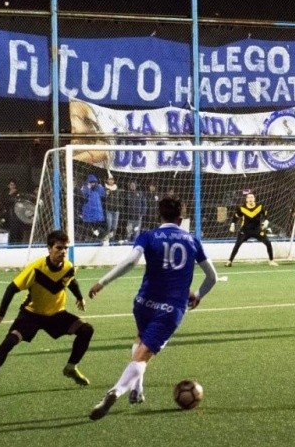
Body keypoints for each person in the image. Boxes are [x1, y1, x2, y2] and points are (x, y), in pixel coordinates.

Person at [86, 197, 218, 420]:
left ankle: (137, 388)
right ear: (181, 217)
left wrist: (103, 282)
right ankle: (115, 392)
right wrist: (198, 295)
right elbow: (212, 277)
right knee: (142, 355)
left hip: (143, 303)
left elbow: (131, 261)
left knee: (140, 341)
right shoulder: (192, 241)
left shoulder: (148, 236)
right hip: (170, 308)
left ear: (160, 215)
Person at [0, 230, 94, 396]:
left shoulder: (68, 266)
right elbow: (11, 289)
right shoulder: (36, 269)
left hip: (56, 314)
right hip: (31, 315)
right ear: (49, 249)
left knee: (86, 329)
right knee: (9, 342)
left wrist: (80, 297)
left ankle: (71, 368)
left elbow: (70, 280)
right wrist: (1, 315)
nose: (63, 251)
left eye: (65, 248)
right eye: (59, 248)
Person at [224, 192, 278, 267]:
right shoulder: (241, 208)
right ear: (246, 200)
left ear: (254, 199)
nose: (250, 199)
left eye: (252, 197)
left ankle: (271, 260)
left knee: (268, 243)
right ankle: (229, 261)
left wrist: (266, 220)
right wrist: (233, 224)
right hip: (245, 230)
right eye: (248, 197)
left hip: (257, 230)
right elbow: (235, 216)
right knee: (237, 244)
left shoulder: (260, 207)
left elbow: (266, 215)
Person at [80, 173, 106, 241]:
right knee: (88, 229)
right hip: (88, 214)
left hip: (97, 214)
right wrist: (88, 187)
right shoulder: (85, 188)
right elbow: (83, 195)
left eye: (94, 182)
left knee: (97, 229)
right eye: (91, 182)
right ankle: (87, 239)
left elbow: (103, 194)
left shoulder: (98, 189)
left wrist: (100, 186)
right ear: (88, 182)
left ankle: (95, 239)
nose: (93, 184)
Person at [103, 175, 122, 241]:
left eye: (112, 179)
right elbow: (103, 198)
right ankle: (106, 240)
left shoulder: (117, 189)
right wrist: (107, 193)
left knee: (114, 227)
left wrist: (119, 207)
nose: (111, 181)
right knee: (109, 226)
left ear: (114, 181)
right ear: (107, 180)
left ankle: (112, 240)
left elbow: (120, 199)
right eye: (109, 179)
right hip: (109, 210)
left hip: (116, 211)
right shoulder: (105, 188)